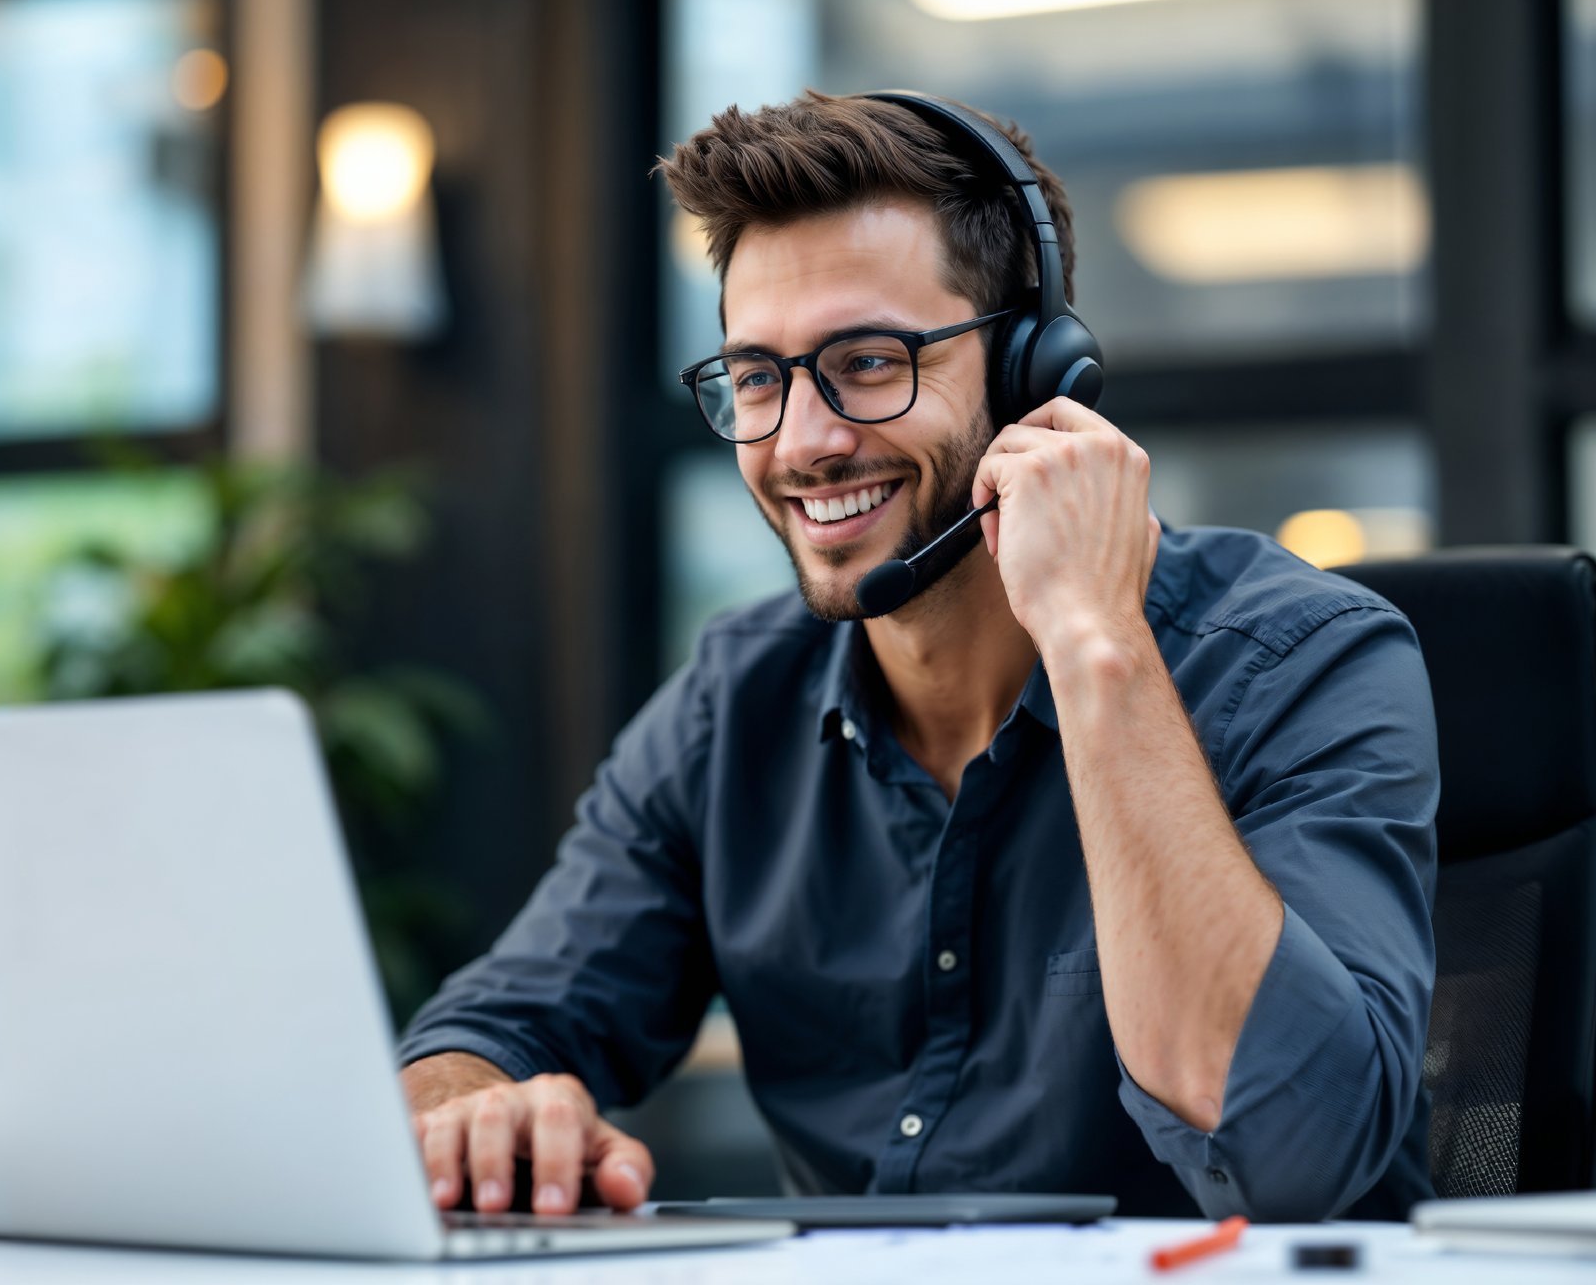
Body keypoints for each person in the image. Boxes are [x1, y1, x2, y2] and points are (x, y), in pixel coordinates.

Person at [395, 90, 1436, 1223]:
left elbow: (1294, 1152)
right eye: (756, 377)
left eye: (869, 360)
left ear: (1038, 372)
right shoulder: (732, 705)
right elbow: (492, 1030)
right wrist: (467, 1108)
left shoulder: (1301, 664)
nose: (801, 442)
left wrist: (1094, 648)